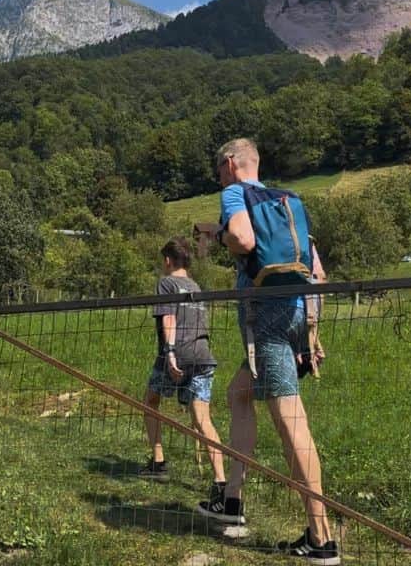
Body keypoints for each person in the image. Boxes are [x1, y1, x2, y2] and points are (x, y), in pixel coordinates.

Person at [196, 138, 340, 565]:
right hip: (294, 313)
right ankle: (233, 498)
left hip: (267, 320)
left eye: (218, 169)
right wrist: (311, 331)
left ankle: (321, 537)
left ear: (229, 164)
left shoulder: (235, 193)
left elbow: (240, 239)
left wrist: (222, 232)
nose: (218, 176)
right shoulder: (287, 199)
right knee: (239, 394)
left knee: (291, 420)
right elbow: (318, 272)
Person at [139, 236, 226, 503]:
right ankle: (221, 481)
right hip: (202, 354)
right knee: (203, 420)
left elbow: (169, 318)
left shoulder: (167, 283)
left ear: (167, 260)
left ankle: (158, 459)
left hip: (177, 354)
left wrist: (170, 352)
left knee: (150, 402)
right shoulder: (196, 286)